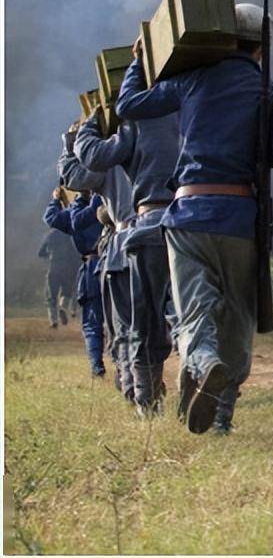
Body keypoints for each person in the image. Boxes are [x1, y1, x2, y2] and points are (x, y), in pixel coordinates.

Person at [116, 2, 273, 435]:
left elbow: (129, 105)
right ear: (260, 47)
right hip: (240, 218)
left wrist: (140, 62)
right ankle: (220, 421)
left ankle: (203, 362)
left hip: (188, 215)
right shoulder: (270, 92)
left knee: (195, 310)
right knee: (236, 318)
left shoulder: (193, 79)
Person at [75, 107, 180, 414]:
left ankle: (143, 396)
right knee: (183, 313)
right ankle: (198, 374)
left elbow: (79, 172)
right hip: (189, 224)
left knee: (135, 322)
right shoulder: (188, 115)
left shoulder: (126, 135)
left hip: (133, 238)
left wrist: (82, 131)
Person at [62, 120, 137, 401]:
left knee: (118, 324)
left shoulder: (105, 163)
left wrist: (72, 141)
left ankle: (135, 386)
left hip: (119, 248)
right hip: (168, 234)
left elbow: (64, 215)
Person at [44, 188, 105, 375]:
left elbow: (51, 217)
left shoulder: (74, 214)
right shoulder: (111, 205)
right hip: (119, 262)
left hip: (92, 265)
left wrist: (56, 200)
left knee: (92, 322)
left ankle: (97, 366)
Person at [38, 223, 78, 328]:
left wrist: (50, 254)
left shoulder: (50, 235)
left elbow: (40, 253)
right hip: (67, 268)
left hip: (53, 266)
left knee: (51, 295)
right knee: (66, 292)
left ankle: (53, 321)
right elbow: (74, 254)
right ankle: (62, 307)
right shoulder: (69, 236)